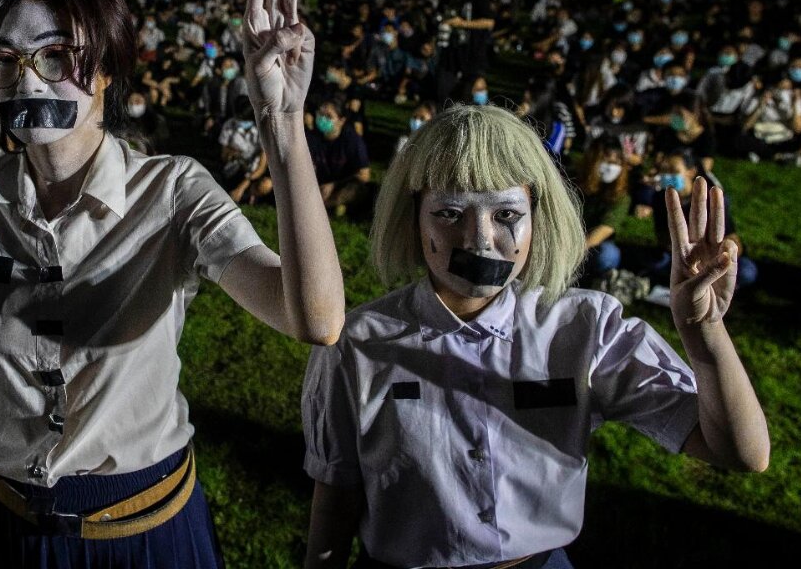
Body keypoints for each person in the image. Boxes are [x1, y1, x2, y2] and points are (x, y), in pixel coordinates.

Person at [0, 0, 344, 568]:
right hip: (8, 524)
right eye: (6, 59)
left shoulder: (172, 191)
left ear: (110, 68)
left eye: (56, 56)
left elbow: (315, 319)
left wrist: (282, 122)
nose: (27, 81)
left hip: (143, 530)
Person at [302, 104, 769, 569]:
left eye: (506, 213)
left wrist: (703, 332)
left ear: (537, 219)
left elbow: (739, 451)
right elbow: (335, 500)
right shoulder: (357, 343)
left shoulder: (586, 328)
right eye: (448, 212)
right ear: (413, 219)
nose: (479, 240)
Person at [643, 148, 759, 290]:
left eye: (673, 171)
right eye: (664, 171)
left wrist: (714, 257)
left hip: (713, 255)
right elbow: (662, 236)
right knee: (657, 263)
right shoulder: (660, 198)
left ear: (691, 171)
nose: (667, 176)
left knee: (746, 272)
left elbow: (733, 240)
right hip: (683, 256)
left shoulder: (710, 199)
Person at [575, 137, 631, 278]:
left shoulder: (621, 196)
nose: (611, 167)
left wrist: (573, 253)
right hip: (564, 238)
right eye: (606, 161)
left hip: (588, 247)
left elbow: (604, 229)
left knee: (608, 254)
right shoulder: (570, 181)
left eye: (615, 162)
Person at [307, 95, 372, 216]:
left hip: (342, 184)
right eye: (320, 114)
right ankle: (328, 207)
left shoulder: (352, 140)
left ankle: (325, 206)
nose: (322, 119)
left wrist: (334, 185)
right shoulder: (311, 137)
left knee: (356, 190)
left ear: (341, 120)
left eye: (329, 116)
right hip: (318, 184)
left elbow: (364, 175)